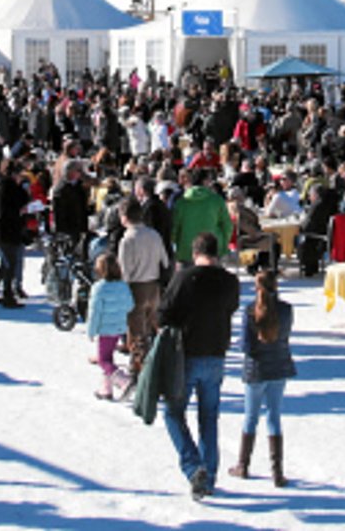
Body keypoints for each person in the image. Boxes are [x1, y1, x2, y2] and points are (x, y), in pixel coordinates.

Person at [157, 230, 241, 500]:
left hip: (186, 355)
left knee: (173, 412)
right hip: (216, 353)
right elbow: (232, 308)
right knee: (209, 417)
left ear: (195, 253)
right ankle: (209, 475)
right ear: (217, 253)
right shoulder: (230, 281)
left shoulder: (183, 278)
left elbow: (164, 315)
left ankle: (193, 467)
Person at [230, 269, 294, 487]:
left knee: (250, 417)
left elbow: (245, 345)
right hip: (279, 365)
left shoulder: (249, 310)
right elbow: (285, 335)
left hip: (256, 368)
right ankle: (277, 471)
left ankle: (243, 464)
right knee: (274, 417)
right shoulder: (286, 310)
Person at [119, 196, 172, 378]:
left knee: (136, 332)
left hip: (136, 287)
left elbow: (125, 271)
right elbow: (165, 261)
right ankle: (157, 363)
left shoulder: (127, 239)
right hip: (154, 286)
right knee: (153, 327)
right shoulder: (154, 234)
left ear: (125, 216)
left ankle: (138, 370)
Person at [86, 253, 134, 401]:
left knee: (102, 360)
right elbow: (130, 305)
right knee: (108, 357)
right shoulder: (123, 286)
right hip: (119, 327)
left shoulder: (99, 288)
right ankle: (105, 389)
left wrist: (91, 331)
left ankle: (123, 380)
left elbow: (95, 312)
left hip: (105, 329)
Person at [0, 156, 30, 307]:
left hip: (9, 227)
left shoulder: (7, 185)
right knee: (10, 262)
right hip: (7, 228)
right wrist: (19, 211)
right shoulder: (5, 187)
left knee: (6, 262)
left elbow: (23, 199)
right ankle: (7, 295)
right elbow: (4, 210)